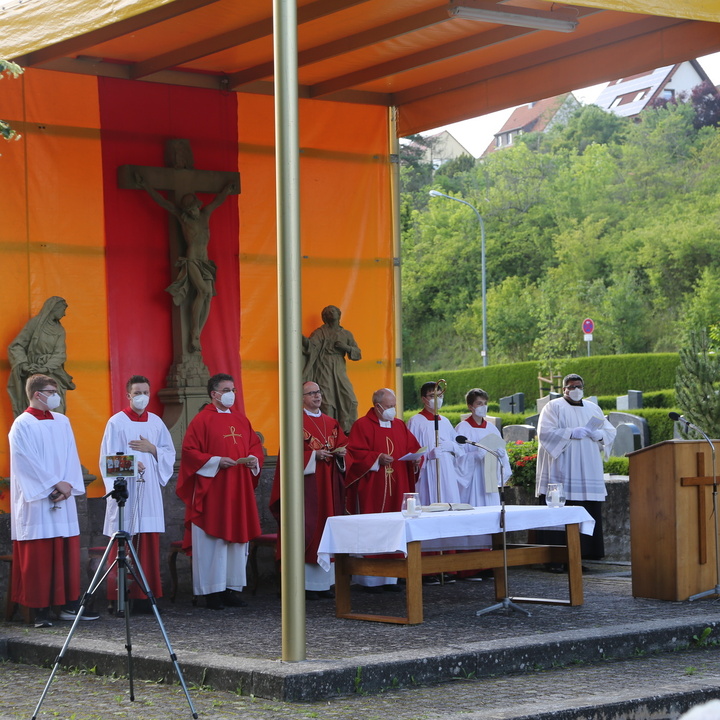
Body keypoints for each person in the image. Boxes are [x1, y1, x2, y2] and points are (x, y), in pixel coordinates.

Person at [8, 374, 98, 627]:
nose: (57, 395)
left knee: (65, 552)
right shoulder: (22, 424)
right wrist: (53, 484)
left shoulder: (62, 421)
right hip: (36, 500)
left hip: (63, 495)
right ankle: (40, 611)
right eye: (52, 390)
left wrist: (68, 483)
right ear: (38, 394)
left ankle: (68, 605)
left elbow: (71, 455)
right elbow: (25, 461)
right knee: (39, 555)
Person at [176, 373, 263, 609]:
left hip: (238, 487)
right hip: (213, 490)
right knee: (212, 540)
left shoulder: (241, 419)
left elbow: (254, 445)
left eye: (233, 389)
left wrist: (254, 459)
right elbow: (190, 452)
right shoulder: (201, 420)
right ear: (214, 394)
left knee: (235, 540)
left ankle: (230, 589)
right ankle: (211, 591)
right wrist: (215, 461)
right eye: (226, 390)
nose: (231, 394)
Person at [99, 375, 175, 614]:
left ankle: (146, 597)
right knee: (124, 540)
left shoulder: (156, 422)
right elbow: (107, 461)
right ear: (128, 395)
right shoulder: (116, 422)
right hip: (127, 493)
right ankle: (119, 599)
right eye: (137, 393)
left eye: (145, 392)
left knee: (148, 542)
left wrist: (152, 449)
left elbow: (168, 453)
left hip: (149, 490)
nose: (142, 397)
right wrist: (132, 465)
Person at [136, 174, 237, 353]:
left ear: (198, 206)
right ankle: (194, 331)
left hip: (205, 261)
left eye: (193, 208)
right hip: (191, 260)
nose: (192, 212)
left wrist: (227, 191)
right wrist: (146, 185)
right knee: (204, 291)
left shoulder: (205, 214)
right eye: (189, 210)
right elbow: (163, 202)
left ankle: (198, 330)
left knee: (208, 297)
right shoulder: (183, 219)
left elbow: (218, 201)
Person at [269, 381, 348, 600]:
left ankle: (325, 584)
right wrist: (314, 456)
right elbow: (287, 457)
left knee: (326, 530)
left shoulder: (331, 422)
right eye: (311, 393)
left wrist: (341, 454)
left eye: (318, 392)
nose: (316, 396)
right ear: (301, 397)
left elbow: (344, 446)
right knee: (306, 530)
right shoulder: (294, 422)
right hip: (305, 489)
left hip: (329, 486)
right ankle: (303, 585)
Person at [535, 373, 616, 562]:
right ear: (564, 389)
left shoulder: (592, 408)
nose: (576, 390)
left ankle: (582, 556)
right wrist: (571, 432)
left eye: (579, 386)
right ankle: (555, 559)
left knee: (585, 509)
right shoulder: (553, 407)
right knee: (560, 511)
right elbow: (545, 433)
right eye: (572, 387)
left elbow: (610, 431)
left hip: (588, 469)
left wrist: (599, 435)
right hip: (563, 469)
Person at [345, 388, 420, 592]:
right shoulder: (362, 425)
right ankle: (370, 579)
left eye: (394, 406)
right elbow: (354, 454)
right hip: (373, 487)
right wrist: (376, 458)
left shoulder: (400, 425)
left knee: (396, 527)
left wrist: (415, 461)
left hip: (398, 485)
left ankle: (392, 578)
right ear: (377, 406)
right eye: (388, 406)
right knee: (374, 527)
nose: (392, 410)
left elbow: (413, 448)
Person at [7, 296, 76, 417]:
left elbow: (60, 354)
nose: (64, 314)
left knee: (57, 409)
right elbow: (16, 345)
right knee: (35, 411)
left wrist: (45, 368)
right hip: (33, 374)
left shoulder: (60, 330)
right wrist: (24, 365)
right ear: (53, 308)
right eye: (62, 310)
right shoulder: (35, 324)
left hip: (52, 373)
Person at [302, 305, 362, 433]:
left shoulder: (346, 334)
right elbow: (311, 347)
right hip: (324, 366)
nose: (331, 313)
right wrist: (298, 337)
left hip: (339, 367)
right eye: (327, 312)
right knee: (327, 402)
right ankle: (329, 432)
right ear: (324, 317)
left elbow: (358, 354)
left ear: (339, 314)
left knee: (350, 399)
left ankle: (348, 431)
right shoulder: (320, 332)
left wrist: (346, 348)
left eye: (333, 311)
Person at [407, 381, 465, 505]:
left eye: (440, 395)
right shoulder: (416, 421)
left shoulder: (445, 421)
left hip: (447, 471)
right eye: (432, 396)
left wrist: (452, 446)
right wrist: (427, 456)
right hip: (428, 471)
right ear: (424, 399)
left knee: (450, 502)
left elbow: (460, 449)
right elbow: (410, 451)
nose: (437, 399)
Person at [455, 388, 512, 507]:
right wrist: (475, 456)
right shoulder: (462, 428)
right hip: (473, 478)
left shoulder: (492, 428)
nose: (483, 406)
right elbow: (457, 459)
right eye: (479, 403)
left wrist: (501, 456)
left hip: (489, 477)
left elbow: (501, 451)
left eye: (485, 403)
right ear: (470, 406)